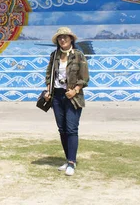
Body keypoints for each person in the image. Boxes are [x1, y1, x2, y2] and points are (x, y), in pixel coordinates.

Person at [44, 26, 90, 176]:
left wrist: (75, 90)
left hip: (73, 96)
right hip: (57, 96)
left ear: (71, 39)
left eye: (65, 37)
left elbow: (84, 78)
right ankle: (68, 159)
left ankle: (72, 162)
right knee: (62, 129)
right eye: (60, 37)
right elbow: (49, 74)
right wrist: (48, 90)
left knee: (71, 129)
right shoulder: (54, 55)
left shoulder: (78, 55)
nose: (62, 39)